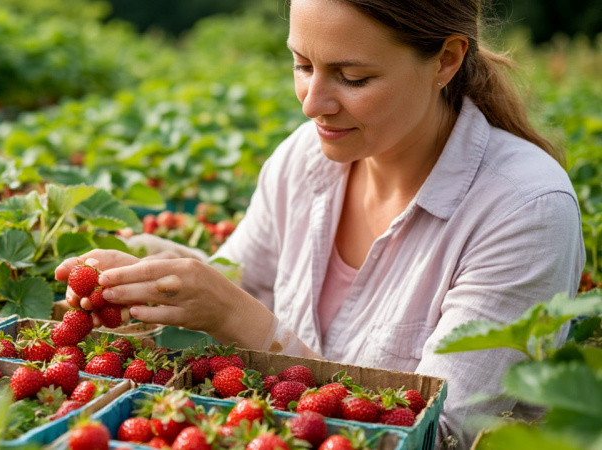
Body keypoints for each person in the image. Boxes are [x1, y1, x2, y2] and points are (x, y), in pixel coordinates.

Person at [54, 0, 585, 447]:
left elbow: (437, 434)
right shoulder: (304, 158)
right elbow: (241, 281)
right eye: (302, 65)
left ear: (445, 60)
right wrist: (152, 273)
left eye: (353, 78)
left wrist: (237, 317)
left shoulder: (523, 208)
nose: (312, 105)